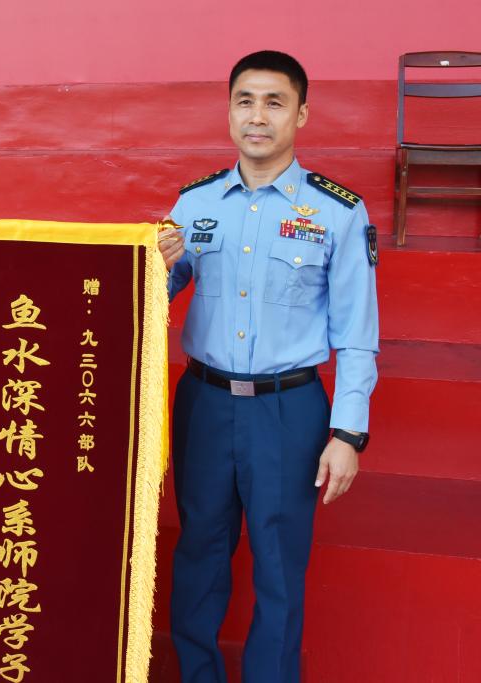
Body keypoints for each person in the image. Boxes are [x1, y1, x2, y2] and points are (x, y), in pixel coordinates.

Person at [158, 50, 378, 683]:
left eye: (275, 103)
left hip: (288, 410)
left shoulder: (338, 212)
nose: (258, 116)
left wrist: (347, 433)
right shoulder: (194, 203)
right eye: (245, 101)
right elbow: (154, 295)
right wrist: (155, 263)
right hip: (204, 403)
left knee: (279, 567)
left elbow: (357, 335)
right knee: (199, 553)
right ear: (229, 112)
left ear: (300, 115)